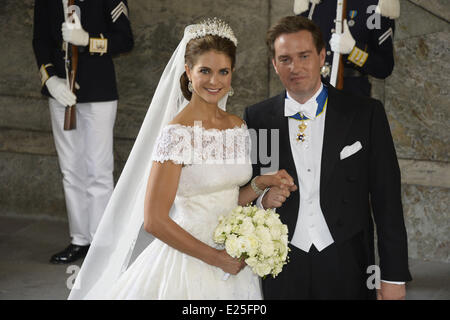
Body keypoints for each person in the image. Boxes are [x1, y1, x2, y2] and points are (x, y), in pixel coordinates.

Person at [68, 18, 293, 300]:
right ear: (188, 71)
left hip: (232, 256)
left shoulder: (237, 125)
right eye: (205, 71)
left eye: (223, 71)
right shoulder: (177, 134)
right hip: (191, 259)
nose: (215, 81)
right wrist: (215, 257)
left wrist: (260, 184)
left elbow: (227, 198)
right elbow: (154, 220)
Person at [244, 15, 412, 299]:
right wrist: (262, 198)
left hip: (347, 259)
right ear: (274, 64)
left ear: (322, 56)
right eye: (284, 59)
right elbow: (252, 186)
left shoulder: (365, 114)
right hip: (281, 261)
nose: (295, 67)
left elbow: (387, 201)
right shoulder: (258, 118)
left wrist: (393, 275)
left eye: (304, 56)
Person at [32, 0, 134, 264]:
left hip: (98, 91)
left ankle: (101, 242)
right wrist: (50, 79)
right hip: (61, 93)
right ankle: (79, 239)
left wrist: (88, 40)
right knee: (70, 169)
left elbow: (125, 40)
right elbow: (40, 40)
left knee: (98, 170)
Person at [293, 0, 400, 97]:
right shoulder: (312, 3)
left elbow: (384, 67)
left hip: (351, 99)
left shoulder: (374, 5)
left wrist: (353, 50)